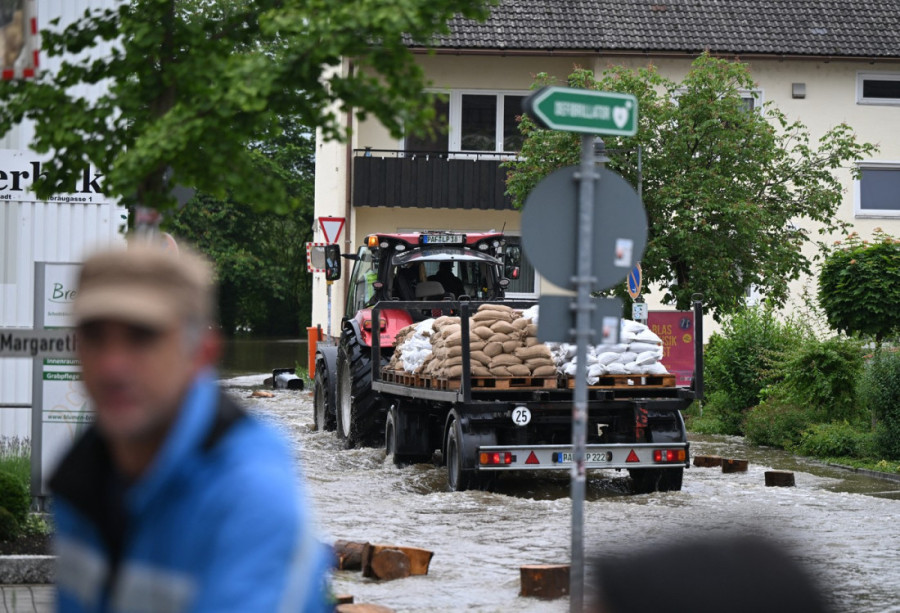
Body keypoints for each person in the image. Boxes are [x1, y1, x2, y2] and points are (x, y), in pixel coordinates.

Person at [49, 241, 329, 612]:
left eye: (141, 337)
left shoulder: (250, 497)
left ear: (203, 351)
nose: (112, 366)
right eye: (95, 337)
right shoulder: (81, 473)